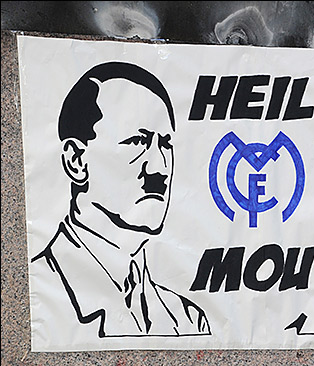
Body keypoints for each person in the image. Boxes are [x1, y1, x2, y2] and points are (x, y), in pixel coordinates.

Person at [31, 61, 211, 345]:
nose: (159, 168)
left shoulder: (189, 320)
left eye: (165, 144)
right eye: (137, 141)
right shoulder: (37, 294)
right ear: (76, 161)